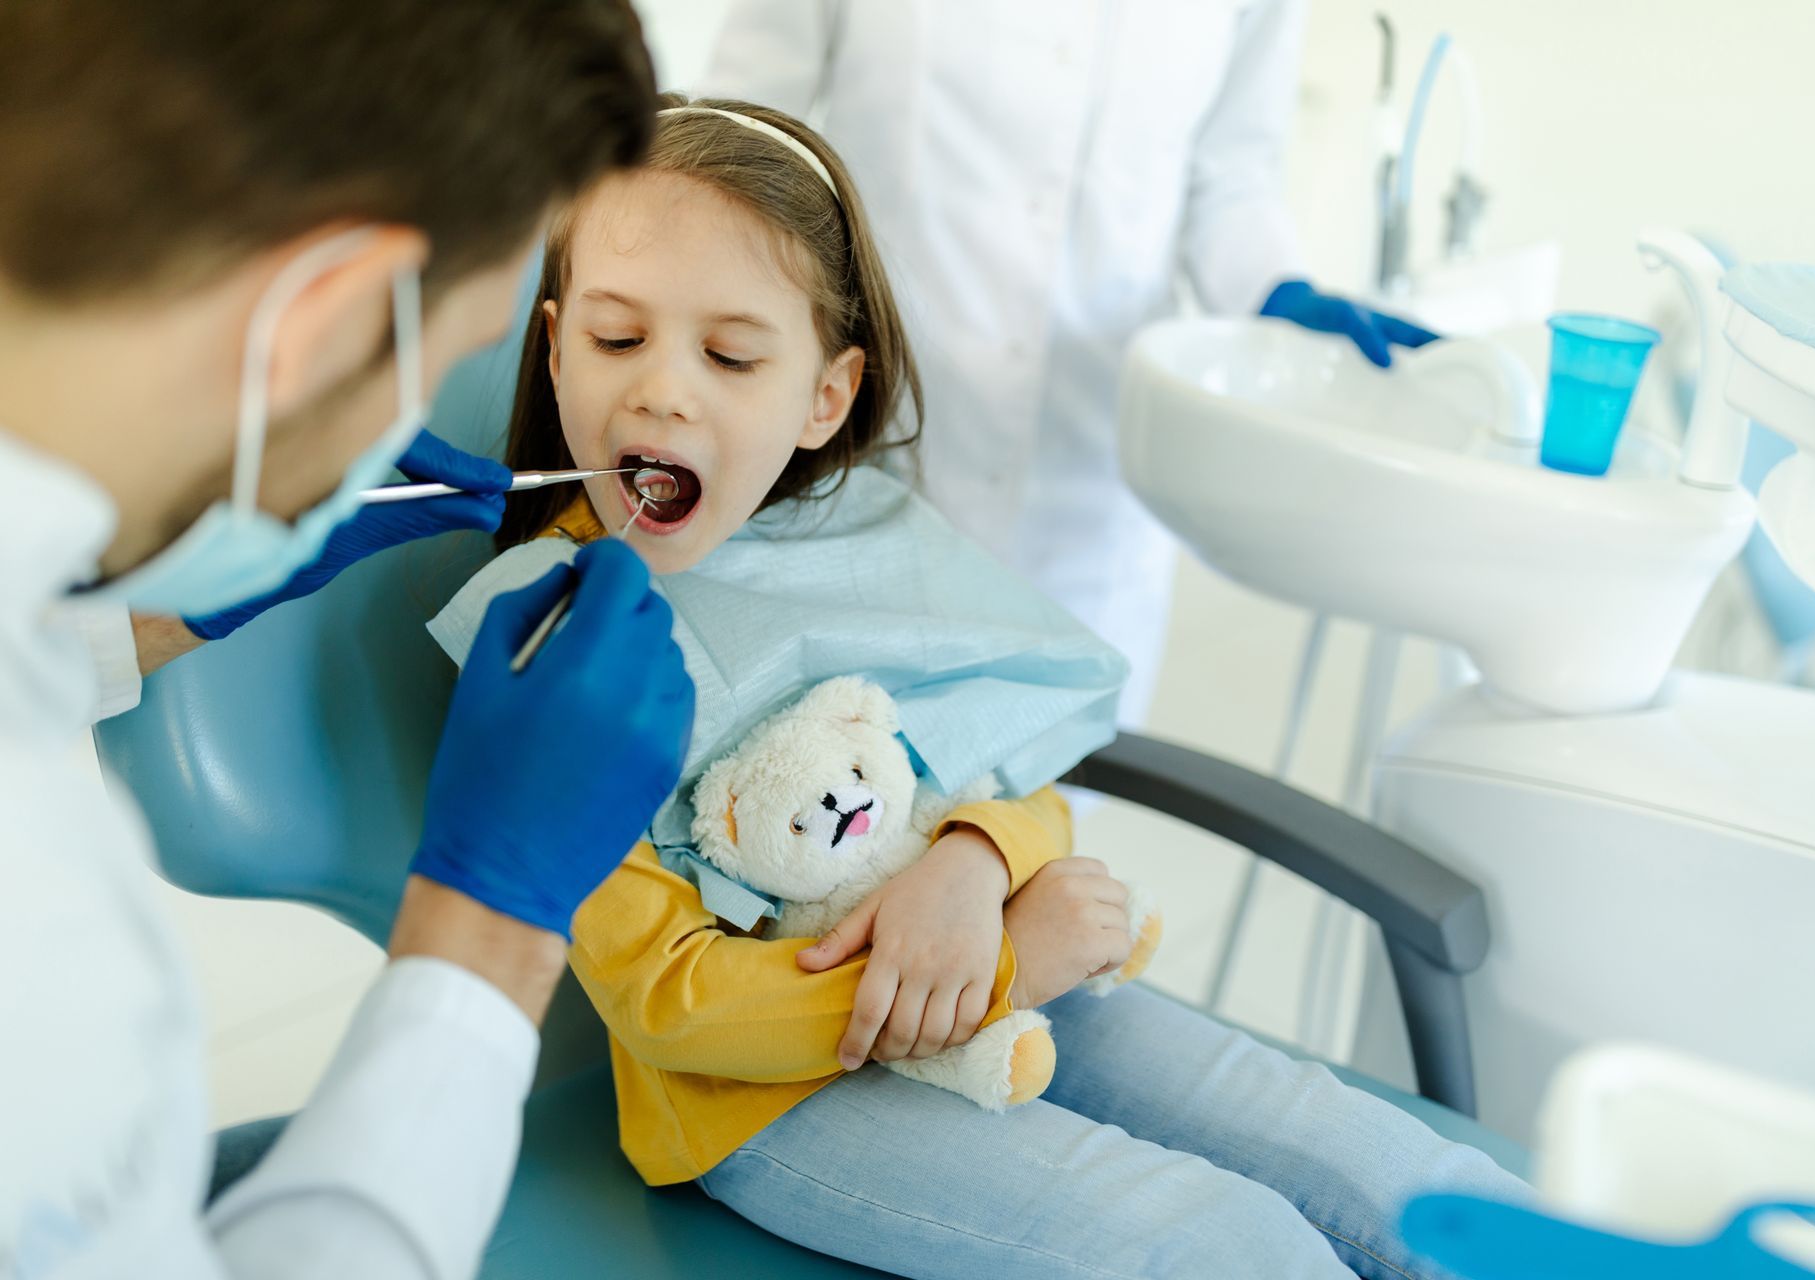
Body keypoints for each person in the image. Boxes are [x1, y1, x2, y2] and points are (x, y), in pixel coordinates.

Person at [440, 97, 1524, 1280]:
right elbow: (667, 1002)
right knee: (1228, 1246)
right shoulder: (547, 631)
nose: (664, 393)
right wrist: (997, 967)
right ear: (553, 346)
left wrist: (973, 865)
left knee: (1395, 1173)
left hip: (1011, 954)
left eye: (731, 354)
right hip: (763, 1095)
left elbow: (1015, 757)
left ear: (826, 395)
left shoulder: (864, 539)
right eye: (615, 339)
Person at [0, 3, 693, 1275]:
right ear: (321, 318)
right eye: (446, 355)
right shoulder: (44, 951)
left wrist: (148, 616)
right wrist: (490, 931)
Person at [701, 0, 1440, 724]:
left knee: (1046, 805)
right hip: (861, 436)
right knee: (819, 781)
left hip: (1085, 489)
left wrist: (1275, 287)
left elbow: (1231, 176)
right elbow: (741, 125)